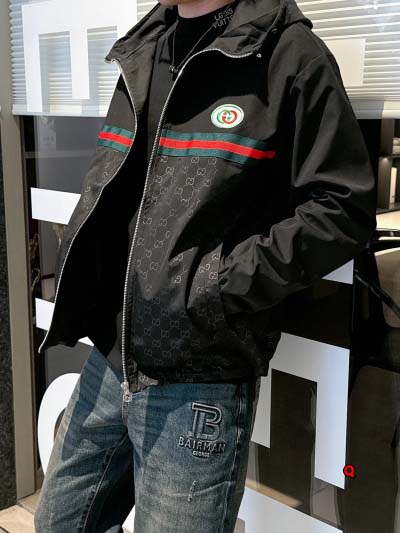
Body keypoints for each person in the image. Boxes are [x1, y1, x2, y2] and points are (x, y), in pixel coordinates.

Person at [34, 0, 377, 531]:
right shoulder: (146, 45)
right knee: (59, 523)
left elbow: (342, 209)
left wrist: (213, 287)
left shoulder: (288, 55)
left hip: (199, 376)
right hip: (111, 355)